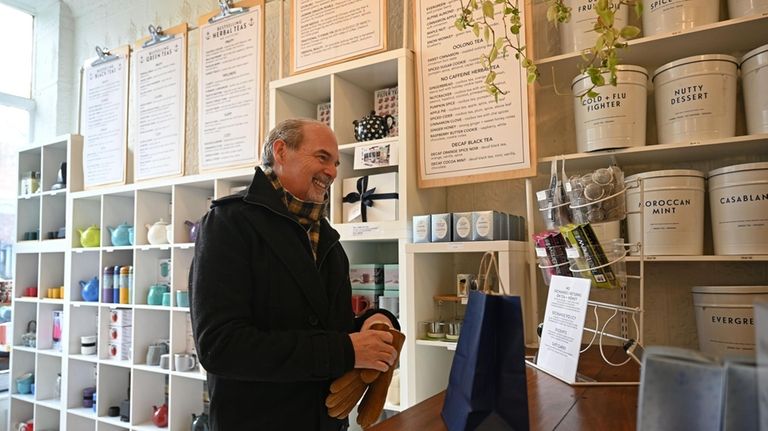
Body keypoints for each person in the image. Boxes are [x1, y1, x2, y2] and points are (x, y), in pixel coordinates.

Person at [189, 118, 400, 430]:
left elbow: (325, 327)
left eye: (336, 163)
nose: (332, 172)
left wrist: (374, 324)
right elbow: (221, 346)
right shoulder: (228, 225)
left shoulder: (326, 238)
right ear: (281, 152)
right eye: (322, 157)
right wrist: (347, 351)